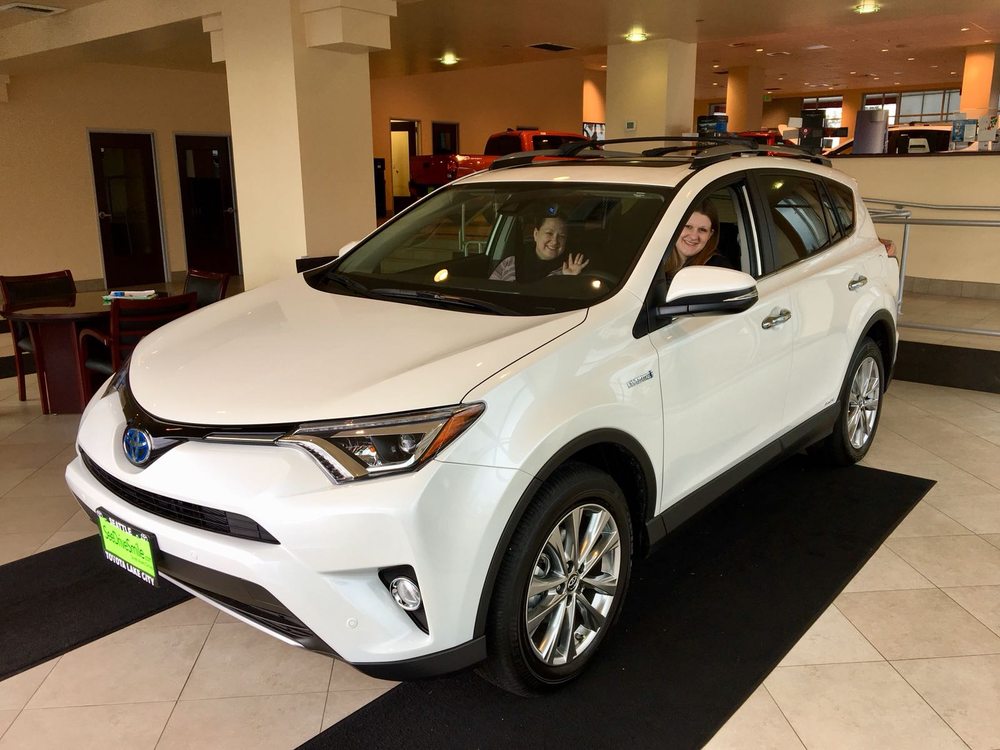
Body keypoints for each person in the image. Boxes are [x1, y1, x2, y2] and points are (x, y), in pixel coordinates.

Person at [489, 213, 589, 281]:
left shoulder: (569, 270)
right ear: (536, 234)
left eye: (562, 236)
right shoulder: (510, 263)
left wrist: (569, 280)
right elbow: (491, 292)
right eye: (549, 233)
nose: (555, 241)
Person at [664, 201, 733, 275]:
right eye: (688, 226)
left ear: (710, 235)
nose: (694, 236)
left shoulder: (719, 269)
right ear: (674, 227)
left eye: (702, 230)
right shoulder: (657, 257)